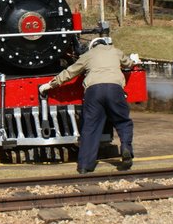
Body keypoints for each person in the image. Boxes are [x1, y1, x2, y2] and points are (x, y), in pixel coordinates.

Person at [39, 36, 135, 174]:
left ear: (92, 46)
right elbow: (129, 64)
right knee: (123, 122)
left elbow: (70, 72)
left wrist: (51, 84)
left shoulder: (87, 55)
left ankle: (84, 166)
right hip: (114, 89)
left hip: (93, 91)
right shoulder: (115, 51)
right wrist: (133, 62)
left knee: (90, 128)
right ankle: (126, 149)